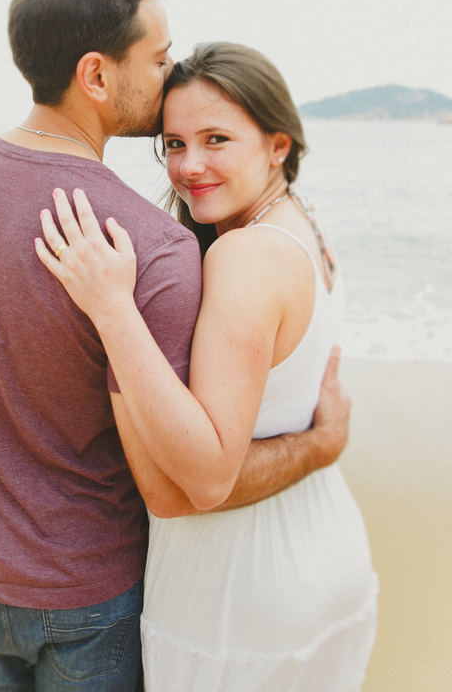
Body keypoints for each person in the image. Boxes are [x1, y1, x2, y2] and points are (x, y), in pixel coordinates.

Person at [0, 0, 351, 691]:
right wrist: (322, 442)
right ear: (98, 75)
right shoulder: (149, 244)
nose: (170, 76)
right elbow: (178, 480)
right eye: (160, 57)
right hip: (87, 592)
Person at [36, 41, 378, 690]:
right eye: (173, 144)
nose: (189, 167)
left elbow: (191, 485)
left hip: (242, 590)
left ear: (278, 144)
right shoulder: (306, 231)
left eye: (216, 139)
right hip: (322, 552)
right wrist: (320, 443)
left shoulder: (245, 257)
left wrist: (112, 311)